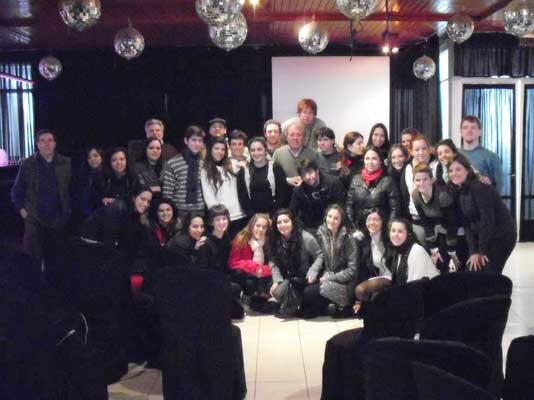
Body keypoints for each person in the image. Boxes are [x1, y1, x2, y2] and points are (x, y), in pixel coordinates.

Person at [448, 153, 516, 274]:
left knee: (488, 272)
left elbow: (487, 220)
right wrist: (473, 251)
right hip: (484, 235)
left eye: (458, 169)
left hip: (501, 235)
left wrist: (482, 251)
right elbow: (467, 224)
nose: (454, 173)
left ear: (467, 170)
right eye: (451, 170)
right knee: (474, 270)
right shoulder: (459, 190)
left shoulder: (479, 187)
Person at [11, 129, 72, 260]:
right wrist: (22, 210)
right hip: (35, 219)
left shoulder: (66, 163)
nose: (47, 144)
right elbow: (16, 190)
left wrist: (67, 213)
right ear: (37, 144)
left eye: (50, 140)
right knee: (32, 262)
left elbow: (73, 189)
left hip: (59, 220)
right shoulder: (28, 164)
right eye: (42, 141)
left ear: (55, 143)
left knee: (58, 262)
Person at [268, 209, 324, 317]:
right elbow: (273, 261)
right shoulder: (274, 238)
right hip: (290, 278)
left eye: (286, 221)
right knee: (277, 292)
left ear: (292, 222)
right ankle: (295, 301)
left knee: (308, 296)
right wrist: (276, 280)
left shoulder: (305, 237)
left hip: (307, 277)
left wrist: (313, 271)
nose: (282, 225)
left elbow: (319, 255)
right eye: (279, 222)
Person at [412, 163, 461, 273]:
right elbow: (425, 222)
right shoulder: (415, 195)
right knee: (440, 264)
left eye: (425, 179)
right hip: (439, 229)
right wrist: (434, 249)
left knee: (457, 267)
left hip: (457, 229)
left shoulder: (442, 195)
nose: (421, 183)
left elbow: (452, 223)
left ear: (432, 180)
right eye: (417, 180)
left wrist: (452, 252)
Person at [313, 205, 358, 317]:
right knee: (308, 300)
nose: (331, 220)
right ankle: (334, 307)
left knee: (310, 295)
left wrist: (329, 278)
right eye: (329, 216)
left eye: (336, 218)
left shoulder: (348, 238)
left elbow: (352, 271)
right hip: (327, 277)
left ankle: (343, 306)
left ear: (341, 221)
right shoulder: (321, 234)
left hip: (345, 282)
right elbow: (320, 258)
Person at [80, 186, 152, 256]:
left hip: (105, 243)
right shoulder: (118, 208)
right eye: (142, 199)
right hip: (91, 244)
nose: (146, 204)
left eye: (148, 201)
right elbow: (108, 240)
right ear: (134, 197)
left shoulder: (135, 211)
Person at [200, 137, 247, 238]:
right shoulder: (206, 170)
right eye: (216, 148)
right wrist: (218, 217)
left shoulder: (233, 164)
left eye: (222, 149)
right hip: (222, 218)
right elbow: (209, 196)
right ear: (210, 149)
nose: (220, 152)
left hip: (240, 214)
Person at [346, 147, 400, 231]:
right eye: (367, 158)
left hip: (381, 229)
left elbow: (395, 209)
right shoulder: (355, 179)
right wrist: (353, 227)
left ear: (380, 161)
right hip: (359, 229)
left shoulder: (388, 181)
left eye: (374, 158)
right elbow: (349, 205)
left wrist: (389, 229)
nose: (370, 162)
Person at [400, 133, 439, 241]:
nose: (420, 152)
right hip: (416, 220)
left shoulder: (437, 165)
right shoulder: (407, 169)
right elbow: (405, 195)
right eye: (417, 150)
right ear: (411, 151)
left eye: (424, 149)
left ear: (429, 149)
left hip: (438, 221)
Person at [162, 125, 206, 218]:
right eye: (194, 140)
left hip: (200, 210)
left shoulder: (205, 163)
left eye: (200, 140)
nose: (197, 144)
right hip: (179, 211)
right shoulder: (173, 163)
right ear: (186, 141)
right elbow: (167, 192)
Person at [352, 210, 391, 314]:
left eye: (376, 219)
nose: (372, 222)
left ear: (383, 222)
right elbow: (360, 269)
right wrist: (358, 300)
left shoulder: (389, 237)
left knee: (363, 292)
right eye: (369, 220)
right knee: (367, 297)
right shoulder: (365, 241)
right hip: (378, 278)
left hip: (393, 276)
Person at [289, 159, 345, 231]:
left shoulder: (333, 183)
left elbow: (341, 206)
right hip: (310, 228)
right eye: (303, 175)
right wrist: (303, 229)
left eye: (310, 172)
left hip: (333, 224)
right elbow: (293, 214)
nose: (307, 177)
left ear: (317, 171)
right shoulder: (299, 191)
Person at [237, 137, 287, 216]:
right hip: (254, 217)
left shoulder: (275, 167)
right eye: (253, 150)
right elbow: (243, 197)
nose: (256, 153)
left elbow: (282, 193)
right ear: (249, 152)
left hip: (273, 215)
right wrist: (253, 216)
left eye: (259, 149)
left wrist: (273, 214)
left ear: (265, 150)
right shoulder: (244, 171)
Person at [228, 213, 273, 301]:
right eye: (258, 226)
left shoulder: (268, 240)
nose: (260, 229)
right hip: (247, 274)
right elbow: (233, 262)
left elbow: (272, 261)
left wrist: (263, 270)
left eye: (264, 227)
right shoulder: (241, 238)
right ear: (252, 225)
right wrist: (255, 267)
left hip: (263, 272)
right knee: (247, 280)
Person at [272, 119, 327, 188]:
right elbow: (271, 175)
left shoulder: (313, 154)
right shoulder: (278, 153)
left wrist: (308, 178)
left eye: (299, 135)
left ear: (303, 137)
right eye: (292, 135)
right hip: (285, 194)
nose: (295, 138)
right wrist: (287, 180)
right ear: (286, 137)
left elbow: (323, 174)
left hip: (308, 194)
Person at [458, 115, 504, 193]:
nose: (469, 130)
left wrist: (489, 183)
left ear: (480, 132)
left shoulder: (491, 157)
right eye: (465, 128)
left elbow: (498, 188)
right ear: (461, 132)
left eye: (473, 127)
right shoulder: (454, 155)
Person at [75, 146, 104, 221]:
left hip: (103, 216)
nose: (92, 159)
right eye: (89, 157)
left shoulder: (108, 175)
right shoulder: (85, 176)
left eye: (95, 156)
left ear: (101, 156)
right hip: (87, 217)